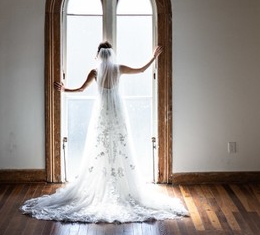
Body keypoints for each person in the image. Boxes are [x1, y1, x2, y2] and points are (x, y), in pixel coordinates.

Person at [21, 42, 189, 223]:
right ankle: (121, 185)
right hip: (117, 112)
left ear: (99, 55)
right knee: (119, 145)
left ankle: (104, 183)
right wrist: (153, 57)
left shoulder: (95, 72)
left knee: (99, 145)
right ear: (111, 54)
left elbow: (81, 89)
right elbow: (141, 70)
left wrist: (64, 89)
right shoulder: (118, 69)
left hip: (101, 112)